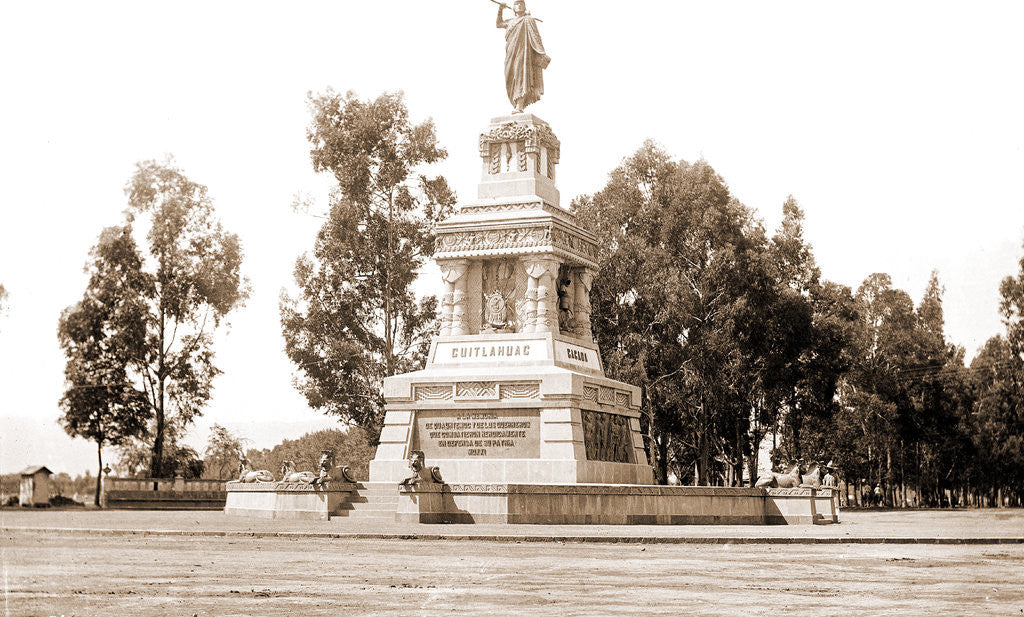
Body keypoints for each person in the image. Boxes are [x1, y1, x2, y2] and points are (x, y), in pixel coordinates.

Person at [496, 0, 550, 113]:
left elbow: (536, 36)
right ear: (514, 8)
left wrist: (541, 52)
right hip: (511, 53)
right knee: (509, 76)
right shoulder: (510, 22)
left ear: (525, 7)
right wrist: (500, 10)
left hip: (523, 52)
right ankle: (515, 103)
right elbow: (499, 24)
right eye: (516, 4)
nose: (519, 5)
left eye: (521, 4)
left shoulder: (528, 20)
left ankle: (519, 105)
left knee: (522, 75)